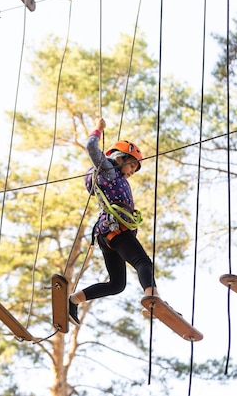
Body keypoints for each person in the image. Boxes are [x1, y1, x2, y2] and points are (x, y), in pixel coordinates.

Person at [68, 118, 159, 326]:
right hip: (115, 230)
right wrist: (98, 130)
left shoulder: (117, 177)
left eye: (135, 169)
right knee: (143, 262)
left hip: (108, 234)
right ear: (119, 158)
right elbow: (91, 147)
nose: (132, 172)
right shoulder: (108, 170)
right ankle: (153, 298)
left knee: (117, 284)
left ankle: (73, 301)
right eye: (132, 165)